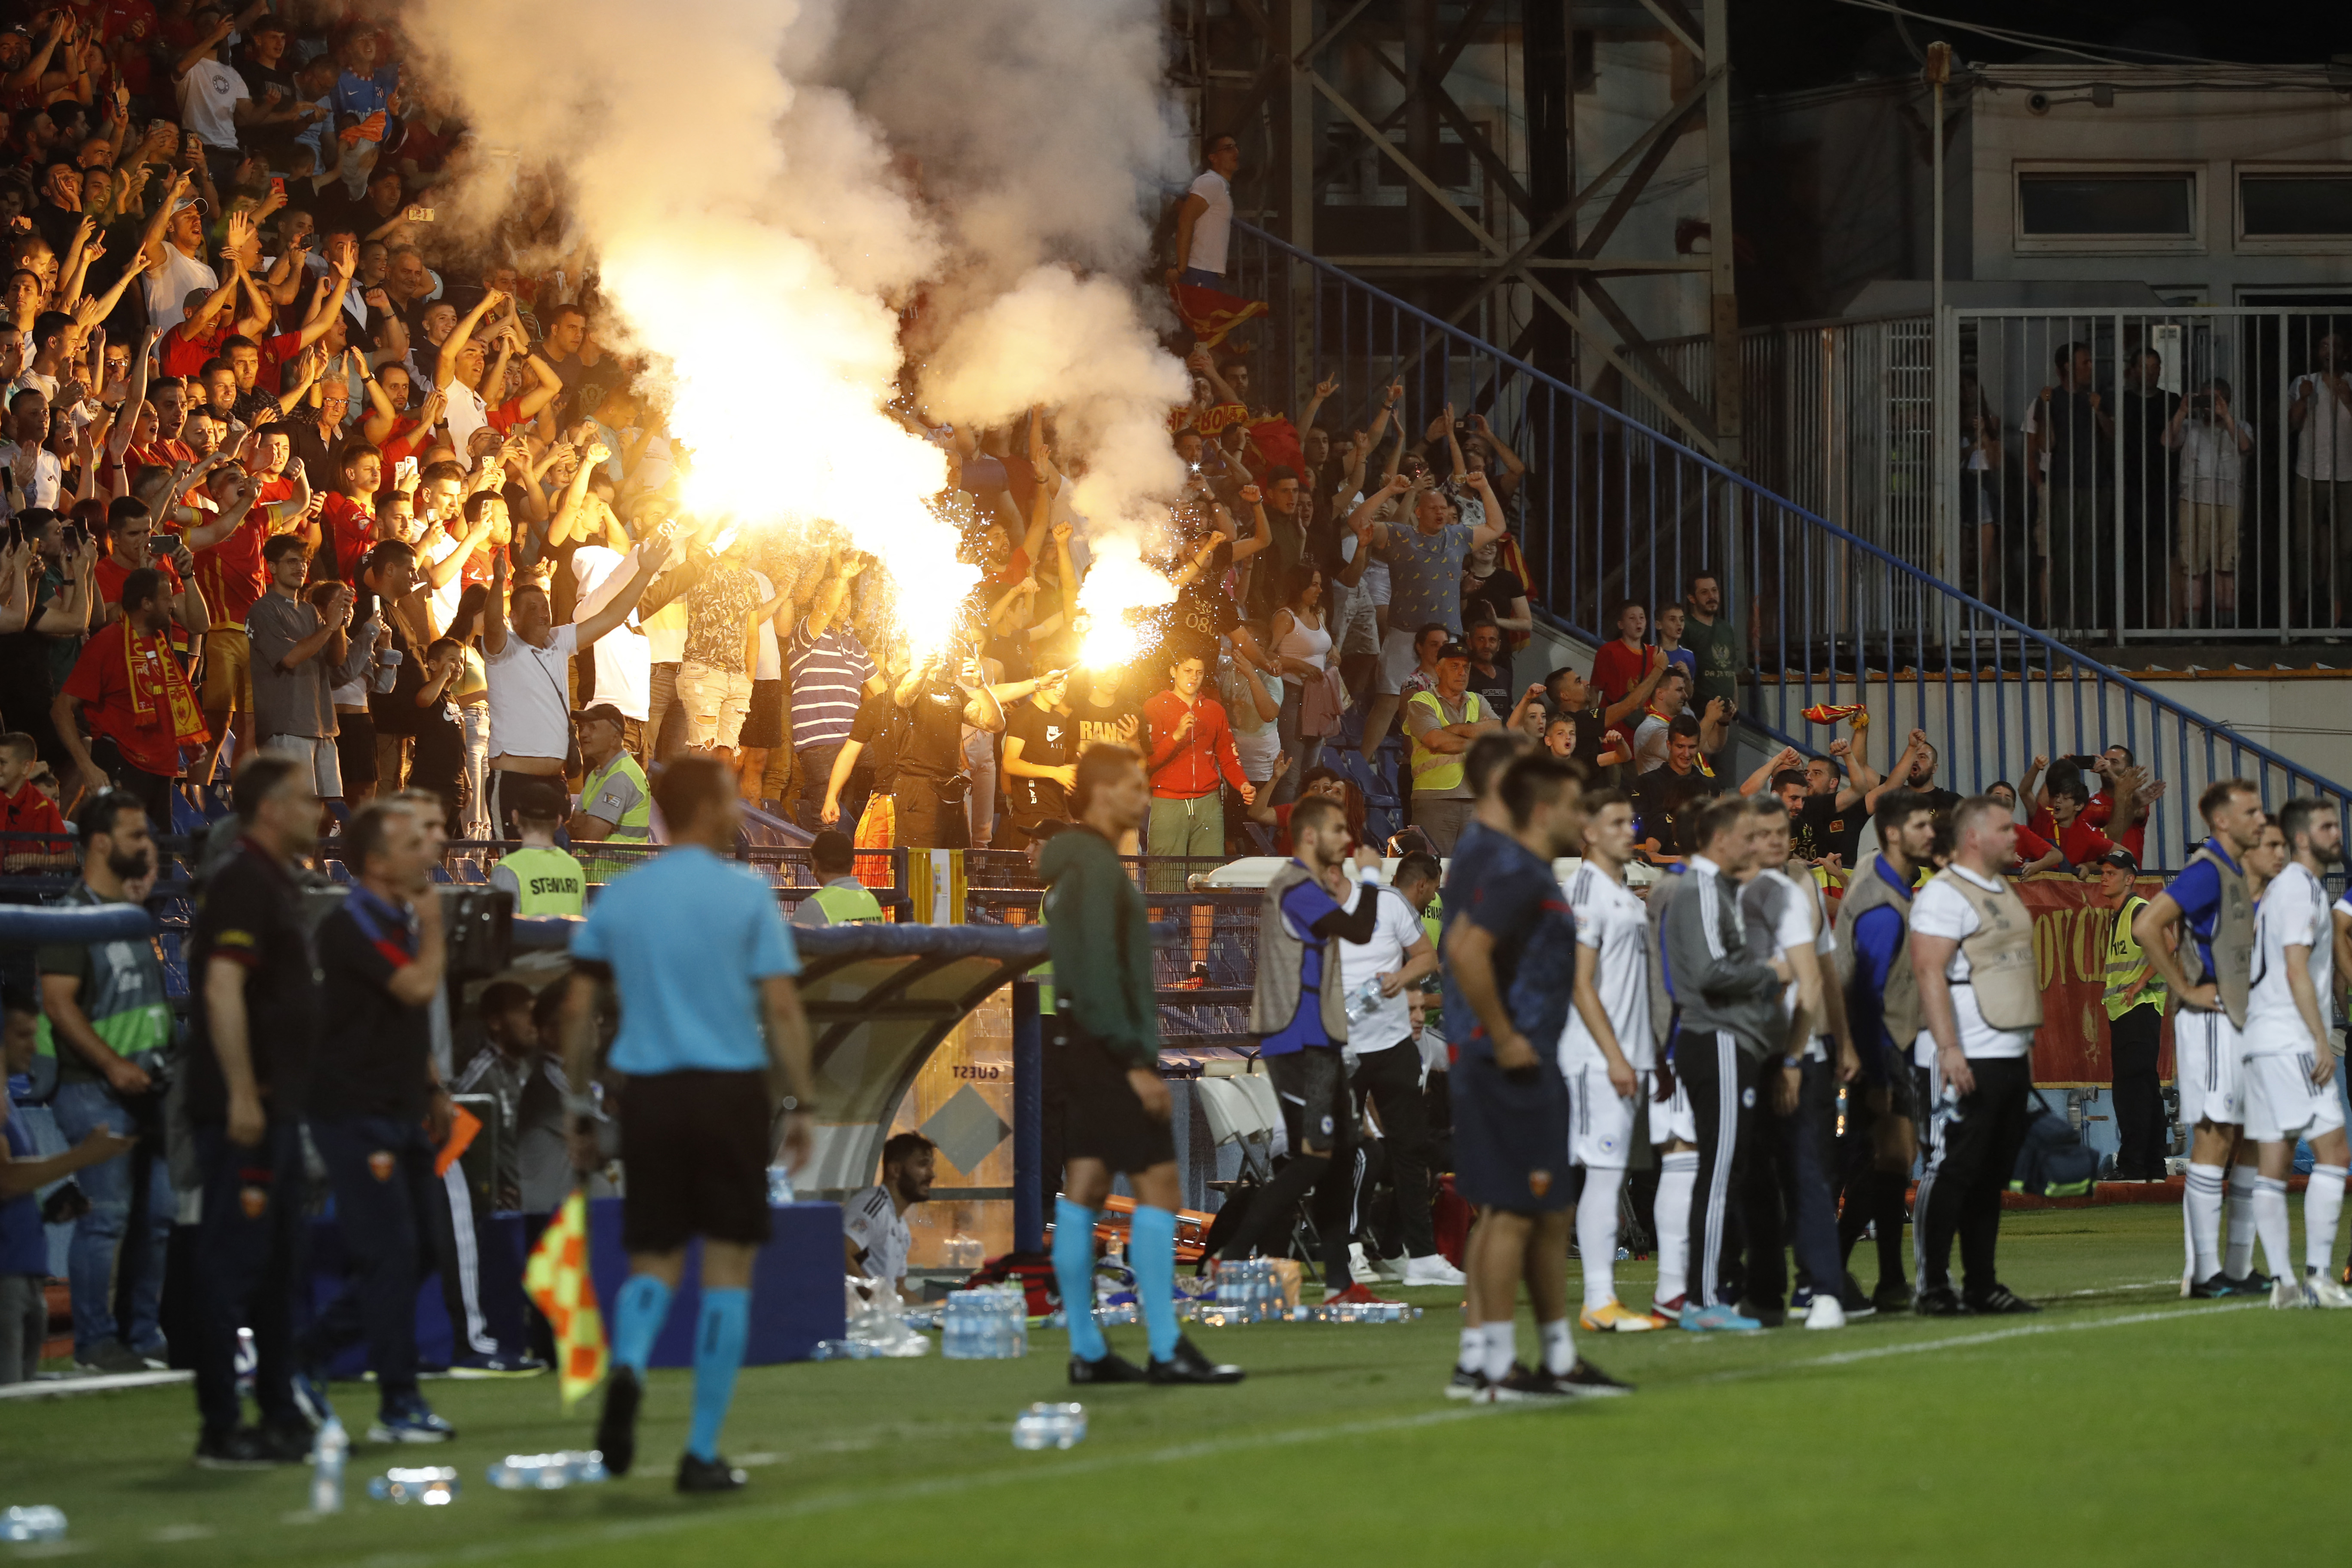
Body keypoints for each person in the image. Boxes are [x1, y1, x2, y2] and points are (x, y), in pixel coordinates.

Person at [566, 755, 818, 1493]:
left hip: (648, 1094)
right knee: (728, 1267)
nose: (741, 809)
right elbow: (780, 1006)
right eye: (732, 798)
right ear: (708, 808)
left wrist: (581, 1103)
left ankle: (629, 1364)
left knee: (653, 1259)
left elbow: (578, 1009)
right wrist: (800, 1101)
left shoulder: (619, 897)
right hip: (728, 1091)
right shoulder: (745, 895)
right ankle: (700, 1449)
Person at [1042, 744, 1241, 1387]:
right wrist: (1135, 1062)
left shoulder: (1078, 867)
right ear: (1102, 793)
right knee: (1158, 1190)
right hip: (1111, 1056)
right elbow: (1098, 974)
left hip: (1084, 1050)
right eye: (1134, 786)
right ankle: (1163, 1347)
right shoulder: (1097, 869)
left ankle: (1088, 1351)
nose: (1147, 797)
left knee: (1085, 1192)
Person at [1442, 753, 1627, 1399]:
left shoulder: (1528, 871)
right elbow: (1466, 949)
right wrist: (1503, 1035)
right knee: (1516, 1214)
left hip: (1525, 1058)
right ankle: (1495, 1367)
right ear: (1545, 811)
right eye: (1576, 807)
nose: (1583, 819)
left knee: (1543, 1213)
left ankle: (1551, 1359)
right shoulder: (1517, 871)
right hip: (1508, 1062)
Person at [297, 799, 459, 1442]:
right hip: (354, 1110)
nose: (429, 850)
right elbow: (416, 991)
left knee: (422, 1252)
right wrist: (435, 922)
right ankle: (399, 1404)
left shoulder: (389, 918)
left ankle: (309, 1354)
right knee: (391, 1254)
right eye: (411, 842)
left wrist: (432, 1083)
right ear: (376, 861)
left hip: (399, 1106)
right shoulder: (352, 922)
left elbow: (398, 1018)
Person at [185, 753, 322, 1467]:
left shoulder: (272, 881)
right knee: (234, 1265)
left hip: (277, 1106)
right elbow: (222, 987)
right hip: (248, 1108)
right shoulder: (242, 879)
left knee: (277, 1266)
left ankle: (275, 1410)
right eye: (304, 798)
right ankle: (219, 1425)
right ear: (270, 809)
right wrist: (241, 1089)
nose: (318, 810)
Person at [1213, 794, 1385, 1295]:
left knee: (1338, 1154)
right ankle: (1232, 1255)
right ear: (1310, 837)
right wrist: (1370, 877)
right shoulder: (1295, 886)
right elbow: (1359, 929)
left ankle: (1338, 1281)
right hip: (1299, 1040)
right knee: (1314, 1156)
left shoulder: (1308, 888)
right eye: (1337, 830)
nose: (1348, 840)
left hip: (1320, 1039)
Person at [36, 790, 173, 1372]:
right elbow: (59, 1004)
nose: (147, 845)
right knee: (108, 1215)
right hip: (92, 1086)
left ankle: (144, 1339)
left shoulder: (127, 913)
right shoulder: (72, 917)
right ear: (100, 844)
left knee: (157, 1215)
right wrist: (113, 1064)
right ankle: (96, 1345)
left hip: (146, 1088)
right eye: (136, 836)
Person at [1652, 794, 1789, 1331]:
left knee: (1722, 1169)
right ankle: (1703, 1298)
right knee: (1719, 1172)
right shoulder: (1704, 889)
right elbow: (1712, 973)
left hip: (1716, 1040)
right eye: (1745, 837)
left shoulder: (1710, 889)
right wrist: (1772, 972)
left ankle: (1703, 1294)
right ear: (1720, 840)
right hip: (1718, 1039)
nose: (1753, 845)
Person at [1909, 796, 2043, 1316]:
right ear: (1973, 837)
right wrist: (1949, 1049)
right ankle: (1933, 1286)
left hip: (2007, 1052)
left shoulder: (2002, 888)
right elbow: (1928, 972)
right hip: (1963, 1054)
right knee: (1951, 1170)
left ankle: (1982, 1284)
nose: (2016, 837)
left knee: (1990, 1176)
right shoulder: (1944, 896)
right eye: (2006, 829)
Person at [2134, 778, 2264, 1298]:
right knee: (2215, 1139)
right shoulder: (2208, 870)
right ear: (2222, 822)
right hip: (2210, 1020)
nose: (2260, 818)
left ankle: (2235, 1267)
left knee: (2249, 1139)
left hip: (2236, 1017)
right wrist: (2184, 985)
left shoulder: (2234, 870)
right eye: (2251, 811)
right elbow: (2148, 924)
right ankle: (2203, 1271)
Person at [1738, 796, 1858, 1330]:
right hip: (1743, 1053)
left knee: (1809, 1169)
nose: (1775, 841)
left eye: (1781, 831)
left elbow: (1823, 972)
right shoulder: (1725, 892)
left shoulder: (1799, 891)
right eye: (1763, 833)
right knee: (1754, 1177)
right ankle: (1763, 1292)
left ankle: (1823, 1288)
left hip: (1797, 1052)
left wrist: (1842, 1042)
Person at [2238, 799, 2352, 1308]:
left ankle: (2286, 1282)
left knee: (2277, 1160)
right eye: (2329, 826)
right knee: (2334, 1156)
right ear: (2304, 838)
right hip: (2290, 1041)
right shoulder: (2299, 890)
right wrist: (2316, 1039)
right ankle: (2316, 1276)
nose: (2338, 832)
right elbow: (2295, 969)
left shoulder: (2287, 889)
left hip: (2267, 1040)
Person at [482, 535, 668, 839]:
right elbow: (492, 625)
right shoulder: (503, 650)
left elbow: (612, 616)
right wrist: (498, 582)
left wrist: (645, 573)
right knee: (520, 866)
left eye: (545, 605)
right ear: (513, 618)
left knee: (557, 865)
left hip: (556, 784)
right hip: (514, 782)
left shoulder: (559, 641)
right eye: (531, 608)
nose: (543, 613)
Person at [1557, 788, 1657, 1334]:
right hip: (1597, 1060)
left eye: (1631, 821)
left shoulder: (1622, 895)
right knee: (1599, 1172)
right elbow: (1580, 983)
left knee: (1606, 1171)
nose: (1628, 830)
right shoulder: (1586, 893)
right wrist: (1617, 1056)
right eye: (1616, 821)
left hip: (1626, 1057)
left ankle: (1601, 1298)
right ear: (1588, 832)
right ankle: (1598, 1299)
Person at [1833, 788, 1936, 1311]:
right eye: (1921, 826)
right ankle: (1832, 1268)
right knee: (1880, 1159)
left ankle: (1890, 1279)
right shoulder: (1882, 905)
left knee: (1895, 1158)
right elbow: (1864, 991)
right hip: (1877, 1044)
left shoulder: (1886, 880)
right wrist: (1873, 1073)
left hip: (1888, 1039)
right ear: (1893, 833)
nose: (1930, 835)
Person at [1337, 849, 1458, 1287]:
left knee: (1412, 1148)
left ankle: (1422, 1257)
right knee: (1347, 1151)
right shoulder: (1313, 905)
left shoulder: (1391, 905)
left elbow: (1427, 958)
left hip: (1392, 1042)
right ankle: (1347, 1249)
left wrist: (1401, 979)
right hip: (1343, 1045)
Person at [3, 990, 135, 1386]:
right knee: (10, 1403)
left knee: (24, 1400)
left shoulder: (8, 1107)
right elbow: (6, 1179)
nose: (34, 1045)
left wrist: (48, 1211)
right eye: (23, 1034)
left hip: (26, 1271)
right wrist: (85, 1156)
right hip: (6, 1279)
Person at [53, 567, 209, 823]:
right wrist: (87, 767)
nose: (173, 605)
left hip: (162, 767)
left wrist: (184, 735)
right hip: (121, 764)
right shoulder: (106, 644)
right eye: (167, 598)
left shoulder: (160, 643)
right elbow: (61, 709)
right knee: (121, 856)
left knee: (159, 859)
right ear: (146, 604)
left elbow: (163, 694)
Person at [248, 535, 375, 805]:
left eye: (304, 561)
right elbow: (290, 658)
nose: (301, 567)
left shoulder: (308, 610)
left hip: (322, 723)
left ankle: (315, 852)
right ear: (271, 567)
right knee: (295, 810)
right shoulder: (264, 610)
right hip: (287, 725)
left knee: (329, 810)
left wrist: (339, 619)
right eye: (292, 561)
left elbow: (338, 660)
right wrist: (329, 626)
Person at [2024, 340, 2114, 632]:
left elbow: (2113, 436)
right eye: (2085, 362)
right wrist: (2047, 408)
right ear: (2068, 366)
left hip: (2094, 485)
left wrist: (2099, 411)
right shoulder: (2049, 400)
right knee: (2061, 555)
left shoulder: (2098, 398)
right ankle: (2059, 621)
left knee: (2091, 554)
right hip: (2062, 484)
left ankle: (2089, 623)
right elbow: (2045, 444)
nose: (2091, 367)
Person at [1143, 650, 1251, 879]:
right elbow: (1149, 761)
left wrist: (1242, 784)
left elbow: (1228, 755)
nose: (1194, 677)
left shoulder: (1214, 710)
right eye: (1188, 671)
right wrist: (1177, 735)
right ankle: (1159, 918)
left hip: (1208, 802)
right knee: (1164, 877)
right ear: (1173, 671)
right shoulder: (1154, 706)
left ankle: (1203, 918)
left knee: (1208, 876)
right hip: (1168, 800)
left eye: (1199, 673)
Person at [2097, 848, 2169, 1182]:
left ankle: (2133, 1165)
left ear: (2130, 879)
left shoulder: (2137, 910)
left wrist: (2140, 983)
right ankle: (2153, 1165)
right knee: (2145, 1088)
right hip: (2131, 1012)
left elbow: (2168, 945)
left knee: (2131, 1091)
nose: (2105, 878)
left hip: (2137, 1011)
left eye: (2112, 873)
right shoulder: (2122, 913)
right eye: (2104, 872)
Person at [2164, 376, 2253, 629]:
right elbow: (2166, 441)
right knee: (2192, 566)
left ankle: (2226, 630)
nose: (2208, 406)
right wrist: (2182, 411)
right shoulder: (2190, 426)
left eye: (2214, 400)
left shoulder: (2241, 425)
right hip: (2192, 500)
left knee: (2226, 566)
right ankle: (2193, 629)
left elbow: (2246, 448)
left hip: (2229, 501)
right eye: (2204, 399)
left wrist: (2226, 418)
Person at [1403, 638, 1498, 853]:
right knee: (1432, 869)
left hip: (1476, 797)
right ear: (1438, 670)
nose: (1462, 673)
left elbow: (1497, 731)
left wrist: (1455, 730)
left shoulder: (1478, 700)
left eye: (1466, 667)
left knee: (1472, 874)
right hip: (1434, 798)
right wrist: (1477, 739)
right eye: (1455, 667)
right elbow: (1436, 741)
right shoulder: (1422, 701)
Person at [2288, 333, 2352, 628]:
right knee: (2304, 546)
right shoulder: (2305, 381)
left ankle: (2339, 618)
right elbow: (2292, 425)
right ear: (2316, 352)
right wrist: (2303, 398)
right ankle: (2305, 615)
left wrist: (2348, 399)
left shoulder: (2351, 382)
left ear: (2345, 354)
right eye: (2324, 345)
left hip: (2347, 475)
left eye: (2336, 346)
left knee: (2346, 548)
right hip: (2308, 473)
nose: (2330, 351)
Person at [843, 1132, 935, 1308]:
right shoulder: (873, 1207)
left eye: (931, 1166)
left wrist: (936, 1313)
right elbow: (840, 1252)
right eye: (923, 1165)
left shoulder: (901, 1226)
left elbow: (899, 1288)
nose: (932, 1175)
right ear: (896, 1170)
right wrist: (880, 1305)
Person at [999, 666, 1076, 847]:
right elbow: (1009, 764)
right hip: (1031, 811)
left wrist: (1069, 776)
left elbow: (1055, 766)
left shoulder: (1060, 720)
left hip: (1058, 810)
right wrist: (1055, 773)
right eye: (1056, 682)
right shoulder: (1023, 715)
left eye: (1065, 683)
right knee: (1029, 872)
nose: (1062, 689)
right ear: (1040, 681)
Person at [566, 703, 652, 864]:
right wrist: (583, 823)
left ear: (615, 738)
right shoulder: (598, 773)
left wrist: (583, 823)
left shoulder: (621, 777)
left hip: (616, 879)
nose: (583, 734)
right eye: (582, 727)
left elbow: (591, 840)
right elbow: (574, 824)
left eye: (592, 728)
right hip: (600, 877)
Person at [488, 780, 584, 916]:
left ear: (515, 817)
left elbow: (499, 927)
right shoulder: (574, 867)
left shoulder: (508, 869)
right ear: (558, 821)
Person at [1631, 715, 1719, 863]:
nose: (1687, 754)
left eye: (1692, 747)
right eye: (1680, 746)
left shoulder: (1710, 785)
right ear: (1669, 745)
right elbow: (1637, 831)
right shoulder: (1646, 782)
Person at [1166, 132, 1239, 290]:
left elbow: (1184, 211)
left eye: (1236, 147)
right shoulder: (1211, 182)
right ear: (1213, 157)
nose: (1236, 152)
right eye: (1228, 148)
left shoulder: (1216, 184)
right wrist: (1181, 269)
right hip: (1200, 271)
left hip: (1205, 271)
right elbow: (1186, 221)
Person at [791, 830, 883, 928]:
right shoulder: (871, 901)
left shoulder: (815, 906)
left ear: (815, 864)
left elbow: (789, 941)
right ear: (853, 864)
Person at [1682, 571, 1743, 717]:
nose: (1712, 597)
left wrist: (1736, 707)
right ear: (1692, 598)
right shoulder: (1685, 627)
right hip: (1699, 713)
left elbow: (1731, 671)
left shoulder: (1726, 628)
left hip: (1727, 713)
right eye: (1704, 592)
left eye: (1714, 591)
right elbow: (1679, 673)